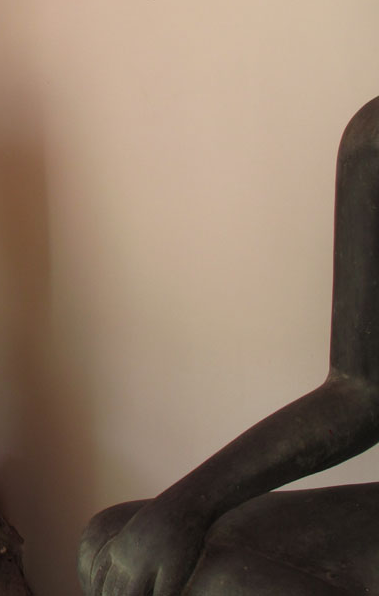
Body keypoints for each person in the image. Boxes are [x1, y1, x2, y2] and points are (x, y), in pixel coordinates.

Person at [79, 95, 379, 596]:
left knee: (217, 585)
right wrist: (184, 506)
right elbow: (360, 392)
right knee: (111, 543)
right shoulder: (372, 138)